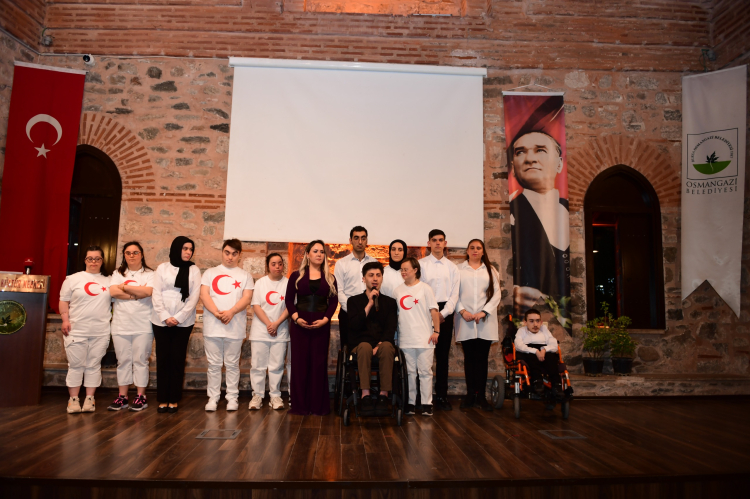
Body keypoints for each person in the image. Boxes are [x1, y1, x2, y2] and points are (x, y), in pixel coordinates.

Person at [508, 130, 570, 319]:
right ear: (513, 166)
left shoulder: (568, 209)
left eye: (540, 150)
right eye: (520, 152)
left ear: (559, 164)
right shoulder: (513, 213)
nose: (530, 159)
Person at [285, 240, 338, 416]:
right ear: (307, 254)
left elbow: (333, 302)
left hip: (321, 326)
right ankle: (300, 406)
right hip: (299, 325)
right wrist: (296, 318)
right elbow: (288, 300)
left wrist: (325, 320)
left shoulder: (330, 278)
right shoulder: (296, 276)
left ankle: (318, 406)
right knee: (300, 365)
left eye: (322, 252)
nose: (319, 254)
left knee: (318, 365)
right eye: (315, 251)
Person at [200, 239, 254, 412]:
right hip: (213, 326)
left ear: (239, 255)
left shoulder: (245, 275)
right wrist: (216, 313)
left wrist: (231, 312)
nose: (230, 257)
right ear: (222, 252)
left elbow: (247, 298)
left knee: (232, 364)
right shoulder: (210, 273)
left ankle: (232, 398)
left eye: (234, 253)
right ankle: (213, 398)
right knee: (214, 365)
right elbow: (204, 295)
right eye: (227, 253)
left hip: (235, 326)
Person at [151, 236, 201, 413]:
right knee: (163, 359)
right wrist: (165, 316)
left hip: (184, 322)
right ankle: (162, 398)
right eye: (185, 248)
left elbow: (194, 297)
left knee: (177, 359)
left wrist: (179, 317)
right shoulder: (162, 268)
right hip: (160, 320)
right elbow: (156, 293)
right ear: (176, 248)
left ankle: (174, 399)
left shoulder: (194, 270)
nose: (188, 252)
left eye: (191, 249)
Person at [59, 246, 112, 414]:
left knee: (93, 365)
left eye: (97, 258)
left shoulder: (110, 280)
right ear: (85, 260)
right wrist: (65, 320)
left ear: (102, 261)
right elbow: (63, 300)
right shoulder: (72, 279)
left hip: (100, 331)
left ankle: (90, 398)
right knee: (76, 365)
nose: (93, 261)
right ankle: (73, 400)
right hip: (76, 330)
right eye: (90, 258)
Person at [107, 241, 155, 412]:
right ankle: (123, 397)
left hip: (143, 324)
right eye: (128, 253)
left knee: (140, 360)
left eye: (135, 252)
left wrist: (124, 288)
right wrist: (136, 293)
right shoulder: (117, 273)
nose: (131, 255)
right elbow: (113, 292)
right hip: (120, 324)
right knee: (123, 361)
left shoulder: (150, 274)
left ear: (142, 254)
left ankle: (141, 396)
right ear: (124, 255)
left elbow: (148, 292)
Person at [346, 261, 397, 416]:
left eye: (378, 275)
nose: (375, 278)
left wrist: (379, 345)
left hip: (382, 344)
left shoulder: (390, 302)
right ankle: (365, 394)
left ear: (382, 278)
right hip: (360, 345)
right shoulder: (353, 301)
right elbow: (354, 325)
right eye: (371, 275)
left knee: (387, 347)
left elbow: (391, 328)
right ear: (364, 279)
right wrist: (369, 304)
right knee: (364, 346)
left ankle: (384, 395)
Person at [455, 239, 501, 411]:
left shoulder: (491, 270)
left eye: (478, 248)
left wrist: (484, 312)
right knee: (469, 359)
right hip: (465, 320)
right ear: (467, 251)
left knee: (482, 359)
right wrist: (462, 311)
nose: (475, 250)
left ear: (483, 251)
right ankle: (470, 395)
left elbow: (497, 294)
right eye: (472, 248)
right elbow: (454, 294)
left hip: (484, 321)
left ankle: (481, 396)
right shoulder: (458, 269)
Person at [418, 229, 459, 411]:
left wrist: (443, 314)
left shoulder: (452, 267)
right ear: (428, 243)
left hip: (445, 314)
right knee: (422, 356)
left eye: (440, 240)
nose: (437, 243)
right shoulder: (421, 265)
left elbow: (454, 294)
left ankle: (442, 396)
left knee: (442, 357)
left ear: (445, 243)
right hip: (426, 311)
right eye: (434, 240)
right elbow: (419, 290)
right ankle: (421, 397)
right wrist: (431, 314)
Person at [394, 258, 440, 416]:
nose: (403, 272)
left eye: (406, 269)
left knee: (425, 372)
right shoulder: (397, 291)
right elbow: (396, 316)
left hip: (424, 338)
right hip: (406, 339)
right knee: (409, 373)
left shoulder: (425, 288)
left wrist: (436, 331)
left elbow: (434, 311)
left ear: (415, 270)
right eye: (401, 269)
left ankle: (427, 404)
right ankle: (410, 403)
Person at [249, 253, 290, 410]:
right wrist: (269, 324)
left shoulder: (287, 283)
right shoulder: (261, 283)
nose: (277, 267)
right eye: (273, 264)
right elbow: (256, 305)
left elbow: (290, 307)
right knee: (257, 365)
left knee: (276, 365)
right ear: (268, 266)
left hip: (280, 330)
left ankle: (275, 395)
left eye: (280, 263)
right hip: (260, 331)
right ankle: (257, 396)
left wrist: (277, 324)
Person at [333, 226, 377, 348]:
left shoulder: (374, 262)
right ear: (350, 240)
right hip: (348, 314)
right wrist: (352, 309)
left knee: (370, 348)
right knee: (348, 349)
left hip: (370, 312)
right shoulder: (341, 264)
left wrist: (369, 306)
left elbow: (377, 286)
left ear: (367, 240)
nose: (360, 241)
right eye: (356, 238)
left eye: (363, 238)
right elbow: (339, 291)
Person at [514, 308, 563, 397]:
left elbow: (554, 344)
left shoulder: (544, 330)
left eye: (537, 321)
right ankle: (537, 382)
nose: (535, 324)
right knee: (531, 357)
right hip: (529, 351)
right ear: (525, 322)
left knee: (552, 358)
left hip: (544, 351)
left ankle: (557, 385)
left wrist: (544, 350)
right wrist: (535, 351)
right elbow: (518, 345)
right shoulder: (521, 331)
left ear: (541, 322)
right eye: (531, 321)